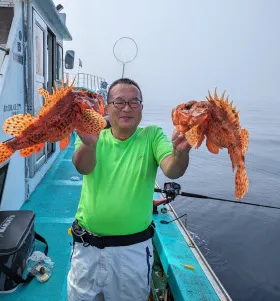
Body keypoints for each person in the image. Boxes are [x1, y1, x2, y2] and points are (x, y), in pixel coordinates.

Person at [67, 78, 191, 301]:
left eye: (134, 102)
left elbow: (172, 169)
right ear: (107, 107)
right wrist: (88, 145)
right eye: (119, 102)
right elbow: (83, 167)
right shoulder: (91, 135)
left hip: (132, 253)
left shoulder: (151, 136)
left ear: (142, 107)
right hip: (87, 250)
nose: (127, 108)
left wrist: (180, 152)